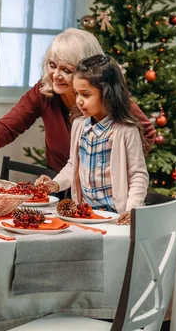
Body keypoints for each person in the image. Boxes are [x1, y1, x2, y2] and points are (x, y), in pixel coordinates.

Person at [0, 28, 155, 172]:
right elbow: (5, 128)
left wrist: (113, 169)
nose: (56, 75)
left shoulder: (109, 96)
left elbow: (146, 132)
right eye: (52, 65)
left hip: (104, 194)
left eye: (67, 69)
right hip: (61, 187)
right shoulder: (44, 92)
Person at [35, 55, 148, 225]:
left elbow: (138, 175)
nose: (79, 101)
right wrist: (55, 184)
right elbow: (73, 165)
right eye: (77, 93)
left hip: (116, 217)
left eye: (86, 95)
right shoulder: (79, 125)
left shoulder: (126, 131)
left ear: (108, 94)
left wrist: (131, 209)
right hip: (86, 214)